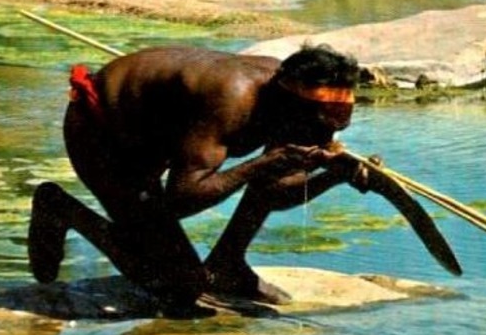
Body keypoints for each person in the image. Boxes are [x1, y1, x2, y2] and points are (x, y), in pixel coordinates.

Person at [28, 44, 364, 314]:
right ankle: (58, 207)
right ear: (291, 104)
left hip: (156, 139)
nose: (326, 135)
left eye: (336, 128)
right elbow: (181, 200)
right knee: (181, 288)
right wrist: (260, 165)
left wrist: (334, 175)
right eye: (322, 125)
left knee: (268, 167)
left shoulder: (289, 103)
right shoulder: (231, 98)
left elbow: (274, 192)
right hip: (104, 135)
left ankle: (227, 264)